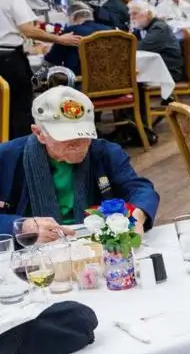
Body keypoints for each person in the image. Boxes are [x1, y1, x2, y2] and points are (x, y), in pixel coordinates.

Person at [0, 87, 160, 240]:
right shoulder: (8, 157)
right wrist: (22, 226)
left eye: (83, 135)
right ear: (39, 133)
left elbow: (140, 189)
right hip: (31, 250)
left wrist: (137, 216)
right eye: (66, 137)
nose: (76, 145)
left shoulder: (105, 153)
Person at [1, 0, 77, 141]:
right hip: (8, 60)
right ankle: (22, 152)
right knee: (20, 107)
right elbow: (28, 30)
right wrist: (58, 39)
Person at [129, 0, 184, 82]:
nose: (132, 17)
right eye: (130, 14)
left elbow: (140, 47)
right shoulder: (143, 26)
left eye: (135, 13)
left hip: (169, 71)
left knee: (128, 74)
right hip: (156, 67)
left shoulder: (159, 28)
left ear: (147, 14)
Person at [45, 4, 109, 73]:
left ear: (73, 17)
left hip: (80, 80)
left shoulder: (71, 32)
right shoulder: (110, 30)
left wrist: (45, 51)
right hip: (111, 78)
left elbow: (52, 61)